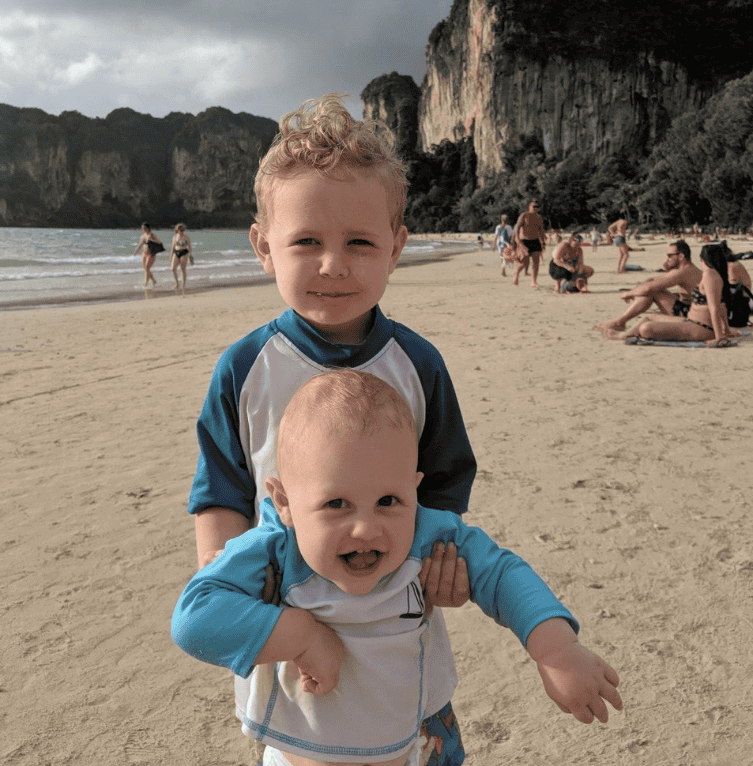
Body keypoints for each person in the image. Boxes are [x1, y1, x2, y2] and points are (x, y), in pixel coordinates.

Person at [188, 94, 477, 765]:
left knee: (418, 741)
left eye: (359, 243)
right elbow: (221, 490)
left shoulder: (418, 366)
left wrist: (438, 562)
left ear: (396, 246)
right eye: (307, 242)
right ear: (264, 247)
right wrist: (224, 579)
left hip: (397, 623)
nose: (333, 264)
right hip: (289, 623)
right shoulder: (245, 368)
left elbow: (445, 478)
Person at [173, 370, 623, 766]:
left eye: (389, 501)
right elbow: (194, 618)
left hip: (412, 743)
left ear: (414, 488)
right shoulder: (271, 550)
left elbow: (502, 574)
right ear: (285, 502)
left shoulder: (427, 532)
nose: (366, 527)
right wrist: (302, 635)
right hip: (304, 751)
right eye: (336, 504)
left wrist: (556, 650)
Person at [603, 244, 739, 346]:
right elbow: (722, 305)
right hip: (692, 321)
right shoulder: (711, 274)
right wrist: (726, 329)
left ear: (702, 259)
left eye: (670, 255)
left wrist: (719, 337)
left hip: (701, 327)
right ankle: (624, 334)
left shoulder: (710, 276)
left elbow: (715, 308)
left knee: (646, 328)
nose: (668, 258)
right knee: (648, 317)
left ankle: (621, 334)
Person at [594, 240, 702, 332]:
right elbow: (654, 280)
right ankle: (621, 321)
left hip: (688, 315)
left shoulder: (682, 272)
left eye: (670, 255)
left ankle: (620, 321)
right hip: (690, 310)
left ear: (681, 256)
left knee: (653, 291)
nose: (667, 258)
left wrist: (629, 293)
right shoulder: (686, 269)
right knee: (651, 289)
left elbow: (649, 288)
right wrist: (637, 290)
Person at [512, 199, 546, 288]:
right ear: (529, 207)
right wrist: (518, 241)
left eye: (537, 207)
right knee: (524, 262)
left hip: (535, 241)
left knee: (536, 262)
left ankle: (533, 282)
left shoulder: (539, 218)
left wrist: (543, 242)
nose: (536, 208)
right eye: (534, 206)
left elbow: (541, 231)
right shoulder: (524, 215)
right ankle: (517, 273)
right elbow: (517, 228)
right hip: (524, 241)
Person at [134, 221, 164, 288]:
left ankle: (150, 281)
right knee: (145, 268)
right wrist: (136, 252)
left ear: (148, 228)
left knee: (147, 268)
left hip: (151, 253)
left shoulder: (152, 235)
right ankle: (148, 281)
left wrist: (151, 241)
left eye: (144, 228)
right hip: (144, 253)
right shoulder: (142, 236)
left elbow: (159, 242)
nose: (143, 229)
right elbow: (140, 244)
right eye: (142, 228)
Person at [170, 223, 194, 293]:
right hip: (176, 252)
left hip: (184, 252)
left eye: (181, 228)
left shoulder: (186, 237)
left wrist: (190, 257)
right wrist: (171, 256)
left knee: (183, 268)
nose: (180, 230)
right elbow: (172, 247)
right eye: (179, 228)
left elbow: (190, 247)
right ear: (176, 230)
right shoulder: (175, 237)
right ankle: (177, 283)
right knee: (173, 268)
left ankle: (183, 284)